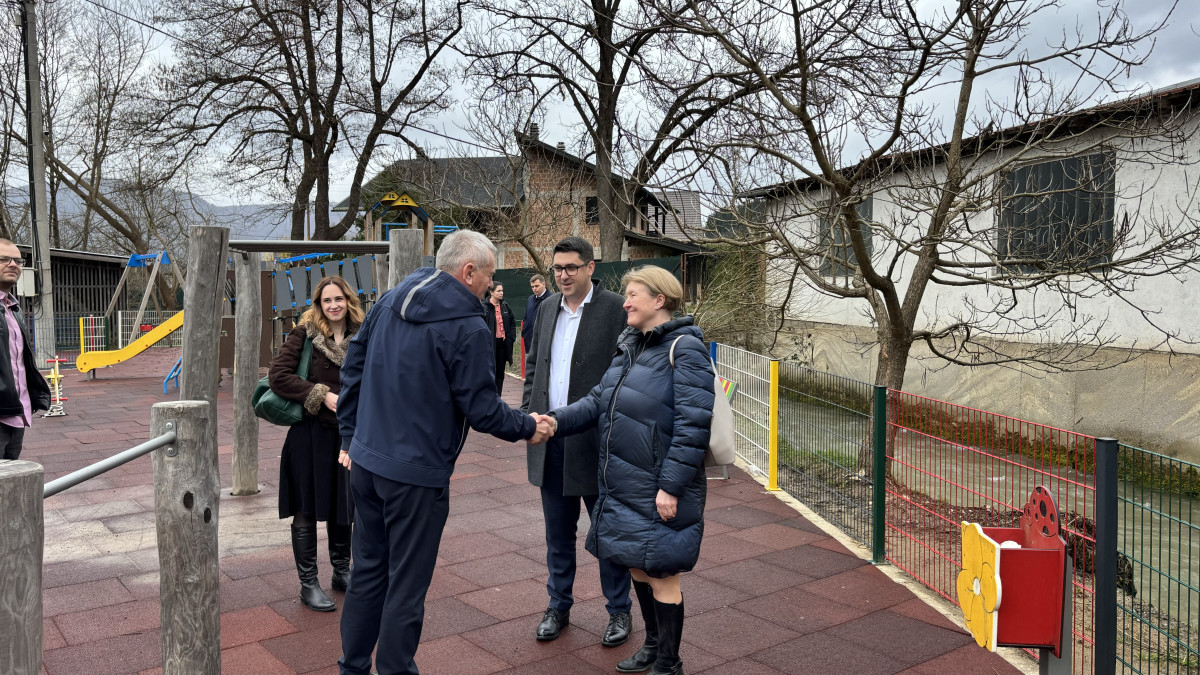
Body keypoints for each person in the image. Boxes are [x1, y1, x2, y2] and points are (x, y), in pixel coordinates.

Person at [336, 229, 553, 675]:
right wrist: (528, 426)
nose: (492, 287)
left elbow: (352, 368)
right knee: (406, 586)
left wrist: (349, 437)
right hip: (416, 476)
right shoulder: (468, 326)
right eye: (489, 276)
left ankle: (352, 667)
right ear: (467, 271)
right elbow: (482, 409)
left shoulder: (391, 299)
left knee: (367, 573)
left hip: (367, 461)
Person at [539, 266, 713, 675]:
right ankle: (652, 646)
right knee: (637, 562)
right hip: (624, 479)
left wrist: (671, 486)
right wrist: (552, 421)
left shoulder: (685, 348)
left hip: (659, 483)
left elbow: (694, 425)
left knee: (663, 572)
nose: (627, 302)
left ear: (661, 300)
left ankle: (669, 664)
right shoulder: (631, 346)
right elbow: (598, 400)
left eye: (634, 294)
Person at [522, 237, 633, 646]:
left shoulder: (615, 310)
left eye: (571, 267)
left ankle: (619, 611)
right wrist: (527, 413)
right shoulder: (547, 306)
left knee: (607, 532)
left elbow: (628, 373)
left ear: (590, 267)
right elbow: (533, 363)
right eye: (557, 268)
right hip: (549, 438)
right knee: (558, 533)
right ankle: (558, 605)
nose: (563, 275)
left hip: (596, 441)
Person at [267, 276, 363, 612]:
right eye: (327, 301)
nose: (334, 305)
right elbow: (277, 375)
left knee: (343, 504)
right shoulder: (305, 334)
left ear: (348, 300)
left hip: (347, 434)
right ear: (319, 305)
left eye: (339, 299)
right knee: (305, 507)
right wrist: (321, 396)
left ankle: (341, 570)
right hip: (309, 435)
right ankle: (308, 583)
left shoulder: (363, 335)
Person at [0, 239, 50, 460]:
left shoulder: (13, 308)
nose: (13, 264)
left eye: (18, 260)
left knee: (11, 486)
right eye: (4, 259)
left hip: (16, 413)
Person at [483, 282, 515, 394]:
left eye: (502, 290)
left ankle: (498, 397)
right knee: (490, 372)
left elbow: (512, 322)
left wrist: (511, 337)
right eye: (498, 291)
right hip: (490, 345)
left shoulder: (505, 306)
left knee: (500, 373)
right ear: (491, 292)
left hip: (502, 344)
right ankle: (489, 397)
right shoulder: (485, 307)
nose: (501, 293)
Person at [521, 273, 550, 354]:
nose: (534, 289)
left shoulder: (551, 299)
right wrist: (524, 331)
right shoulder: (530, 299)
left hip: (543, 342)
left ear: (544, 284)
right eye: (532, 287)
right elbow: (526, 316)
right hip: (529, 340)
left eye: (536, 286)